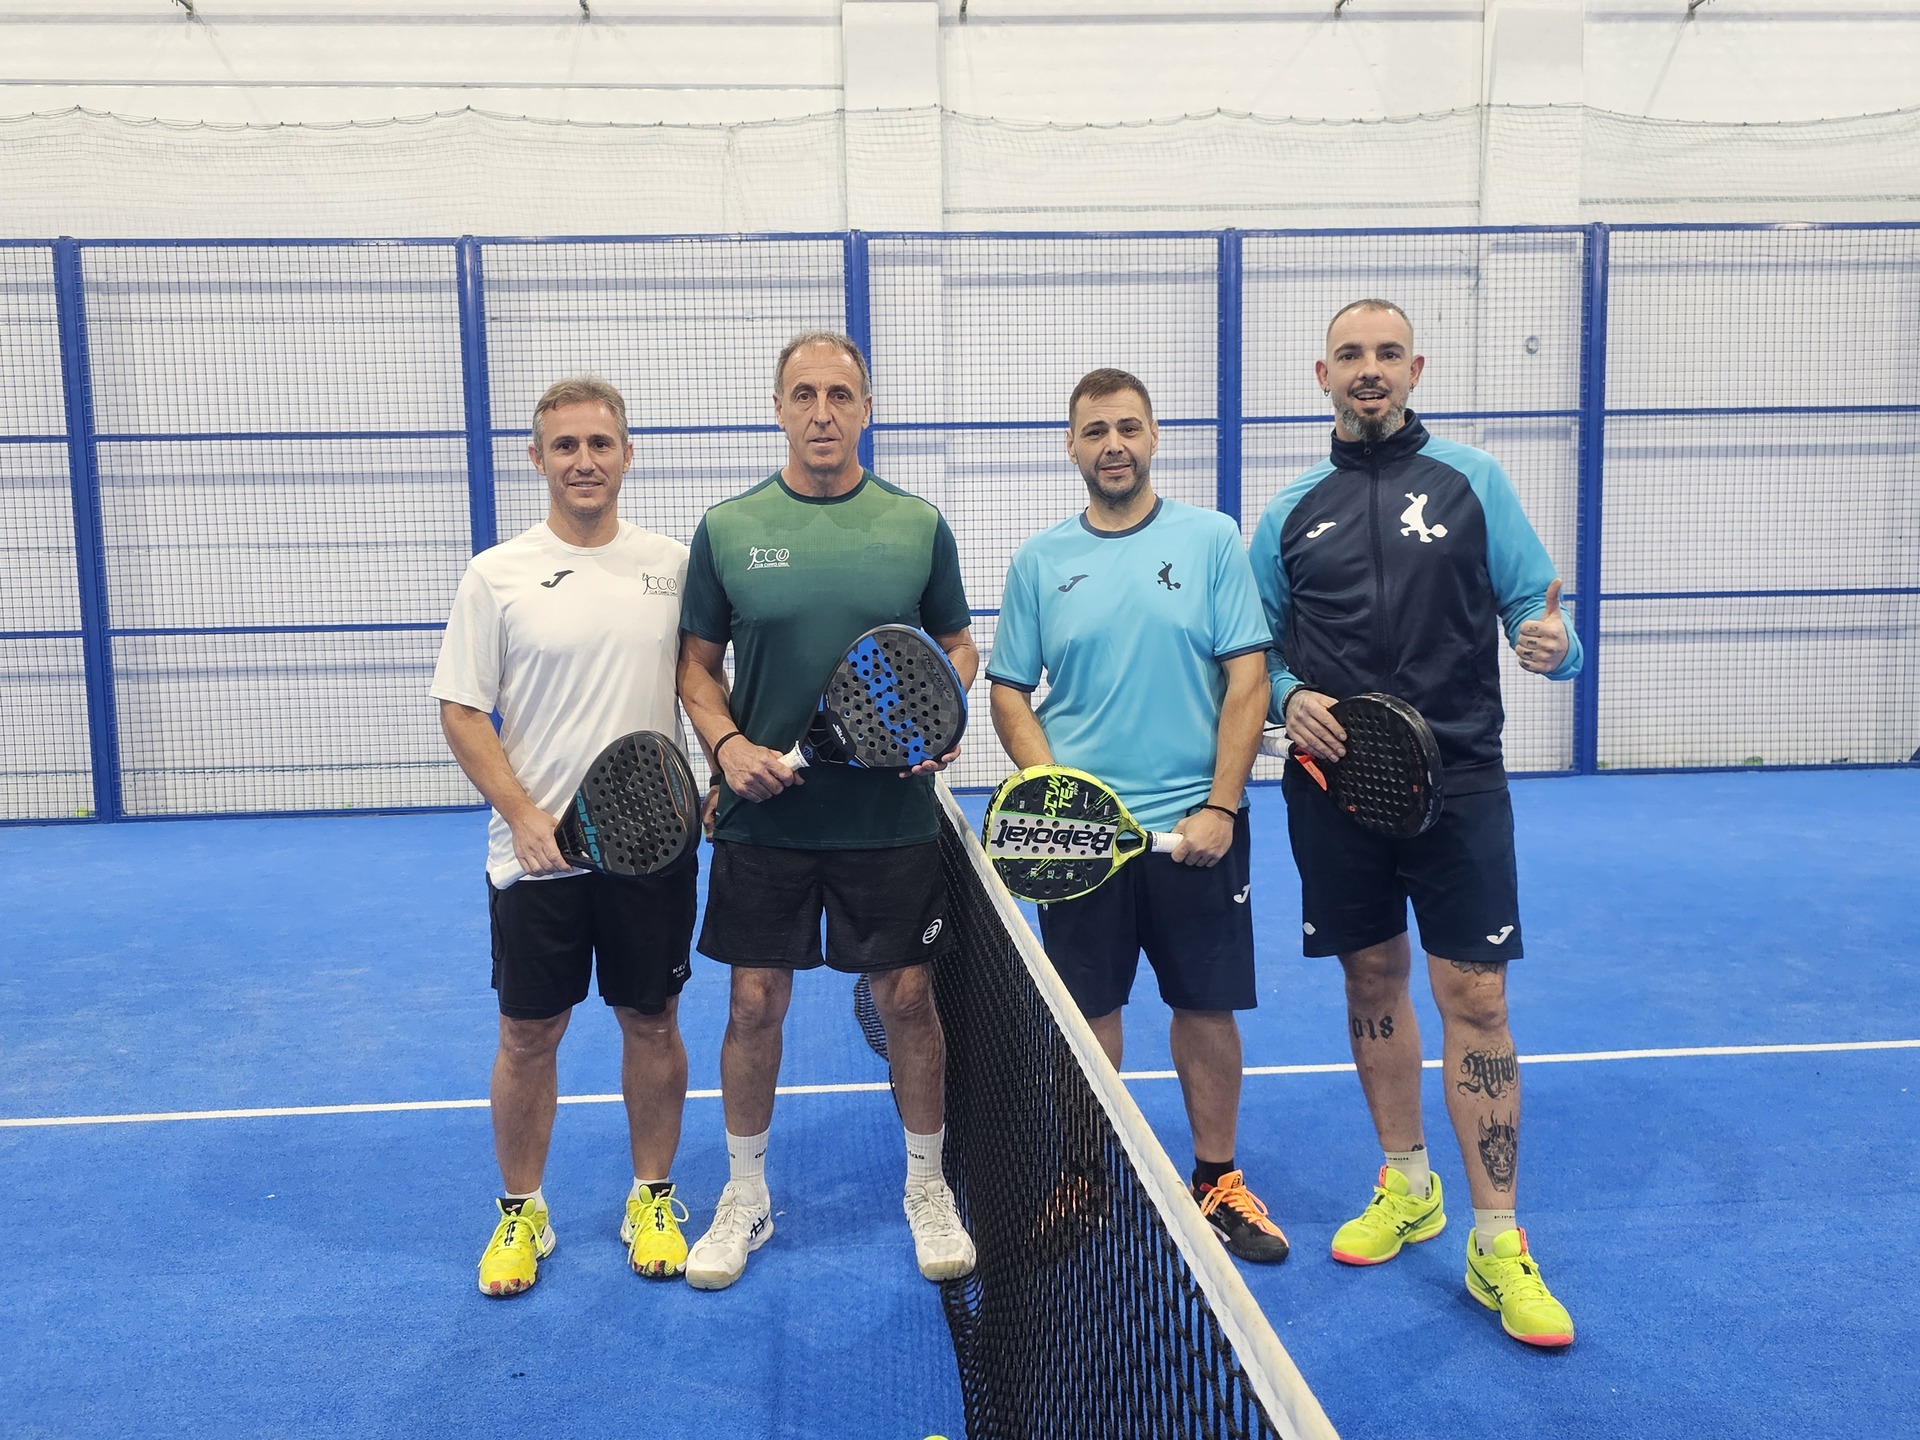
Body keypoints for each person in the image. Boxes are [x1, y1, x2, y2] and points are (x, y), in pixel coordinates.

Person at [1247, 300, 1582, 1346]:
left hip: (1461, 782)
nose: (1370, 369)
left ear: (1414, 368)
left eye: (1387, 353)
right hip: (1334, 786)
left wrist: (1554, 645)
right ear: (1322, 374)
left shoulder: (1475, 481)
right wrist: (1286, 696)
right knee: (1370, 980)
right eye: (1350, 354)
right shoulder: (1288, 513)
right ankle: (1407, 1184)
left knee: (1475, 996)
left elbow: (1540, 611)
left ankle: (1497, 1240)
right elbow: (1255, 651)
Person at [674, 331, 979, 1290]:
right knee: (753, 1002)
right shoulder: (727, 529)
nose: (822, 412)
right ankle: (744, 1194)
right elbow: (695, 668)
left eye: (840, 395)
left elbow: (957, 645)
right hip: (764, 822)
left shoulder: (917, 525)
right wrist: (727, 747)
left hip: (889, 822)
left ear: (867, 408)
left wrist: (941, 710)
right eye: (803, 394)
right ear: (778, 408)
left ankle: (926, 1185)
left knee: (909, 999)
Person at [988, 367, 1291, 1265]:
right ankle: (1085, 1174)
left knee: (1206, 1007)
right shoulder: (1040, 561)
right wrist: (1056, 796)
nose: (1112, 445)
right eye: (1095, 431)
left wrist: (1221, 806)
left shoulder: (1212, 540)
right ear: (1071, 447)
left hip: (1198, 829)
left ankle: (1217, 1179)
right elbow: (1009, 691)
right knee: (1088, 1017)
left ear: (1153, 436)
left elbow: (1249, 680)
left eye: (1127, 427)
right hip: (1082, 843)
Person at [431, 377, 697, 1297]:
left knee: (652, 1020)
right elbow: (462, 709)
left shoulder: (673, 566)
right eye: (566, 446)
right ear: (537, 458)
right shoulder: (496, 574)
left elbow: (704, 685)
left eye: (600, 444)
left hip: (651, 847)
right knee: (527, 1033)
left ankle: (651, 1198)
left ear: (628, 454)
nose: (585, 461)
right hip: (539, 854)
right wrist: (522, 814)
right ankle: (522, 1212)